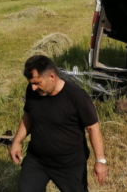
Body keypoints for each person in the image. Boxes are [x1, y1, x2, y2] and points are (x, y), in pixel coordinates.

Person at [9, 55, 108, 192]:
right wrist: (16, 141)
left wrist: (100, 161)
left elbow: (93, 128)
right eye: (31, 83)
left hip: (69, 165)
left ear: (51, 76)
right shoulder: (33, 91)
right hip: (37, 160)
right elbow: (28, 117)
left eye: (37, 83)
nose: (33, 88)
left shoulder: (76, 96)